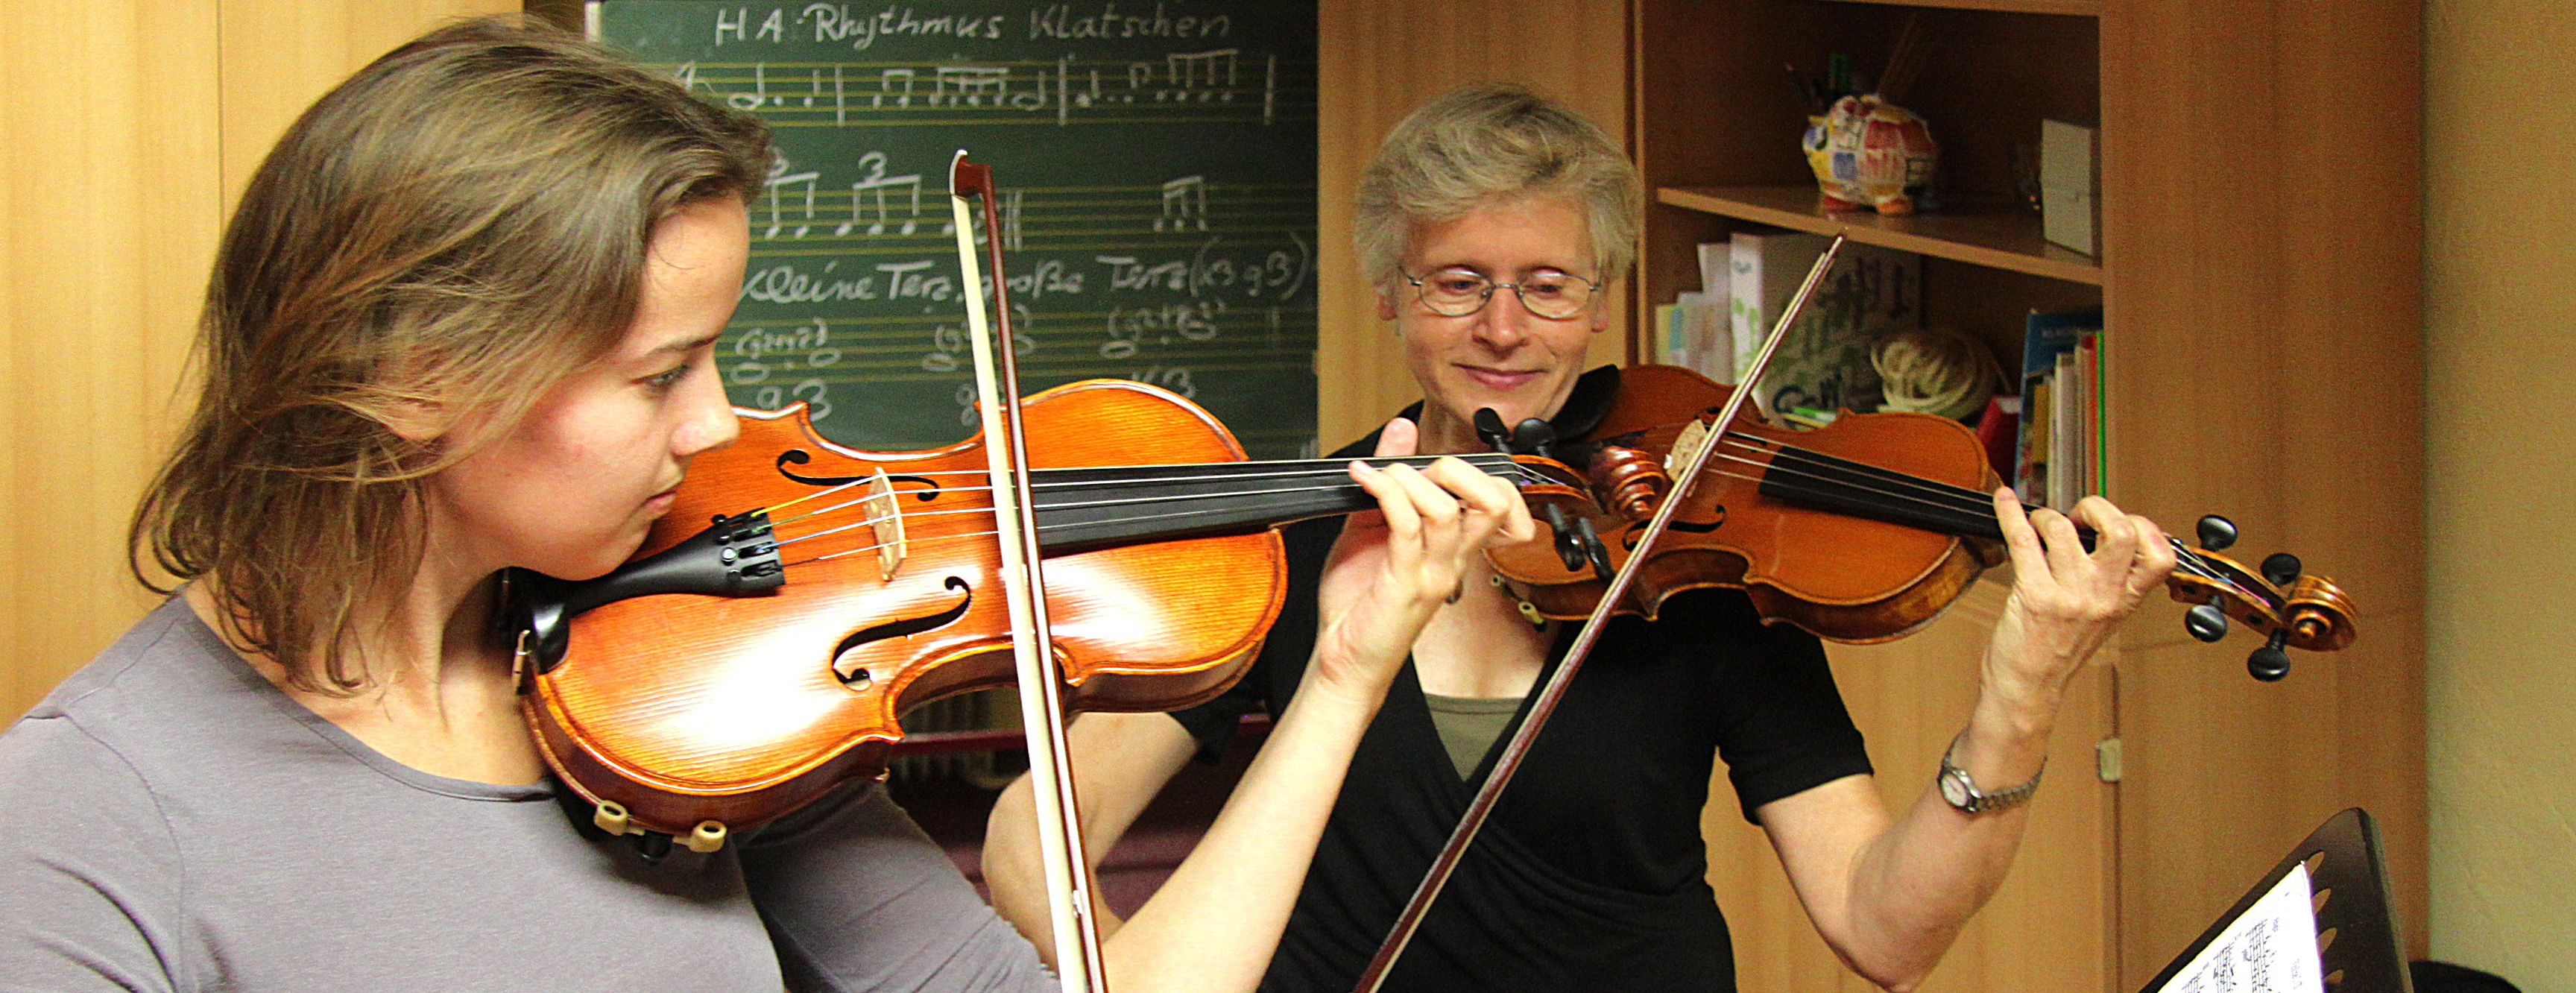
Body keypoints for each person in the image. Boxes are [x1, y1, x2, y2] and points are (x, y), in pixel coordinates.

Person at [0, 21, 1533, 992]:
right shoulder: (91, 816)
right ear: (419, 373)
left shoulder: (703, 694)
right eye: (660, 369)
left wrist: (1344, 669)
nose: (721, 420)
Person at [983, 83, 2180, 993]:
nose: (1504, 329)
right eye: (1458, 281)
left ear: (1602, 300)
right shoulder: (1294, 540)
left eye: (1549, 286)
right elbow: (1029, 838)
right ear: (1391, 294)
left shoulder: (1695, 550)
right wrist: (1152, 969)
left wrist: (2021, 692)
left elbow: (1884, 930)